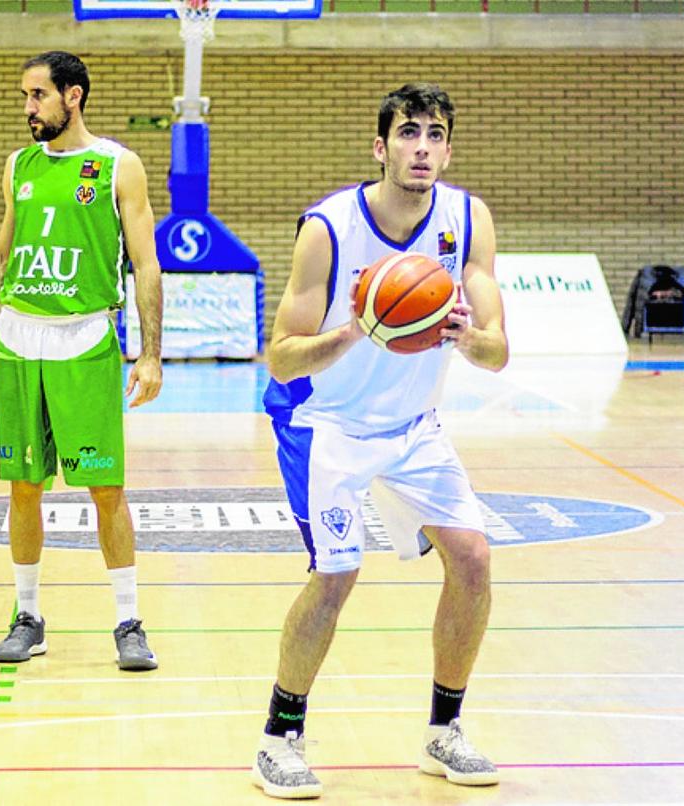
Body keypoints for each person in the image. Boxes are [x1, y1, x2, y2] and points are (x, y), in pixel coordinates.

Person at [255, 83, 508, 799]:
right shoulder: (328, 228)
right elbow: (280, 357)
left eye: (435, 135)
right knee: (336, 575)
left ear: (448, 151)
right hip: (325, 423)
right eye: (408, 133)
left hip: (414, 426)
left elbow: (496, 351)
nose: (421, 147)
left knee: (473, 558)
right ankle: (278, 739)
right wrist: (356, 330)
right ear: (381, 146)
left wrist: (466, 337)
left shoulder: (468, 220)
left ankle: (442, 733)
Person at [0, 51, 164, 671]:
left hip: (84, 337)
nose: (28, 107)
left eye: (37, 95)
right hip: (18, 339)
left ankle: (128, 621)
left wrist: (150, 354)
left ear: (73, 96)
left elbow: (146, 264)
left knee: (106, 488)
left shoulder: (118, 165)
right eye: (24, 96)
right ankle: (28, 616)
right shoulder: (19, 165)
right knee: (23, 487)